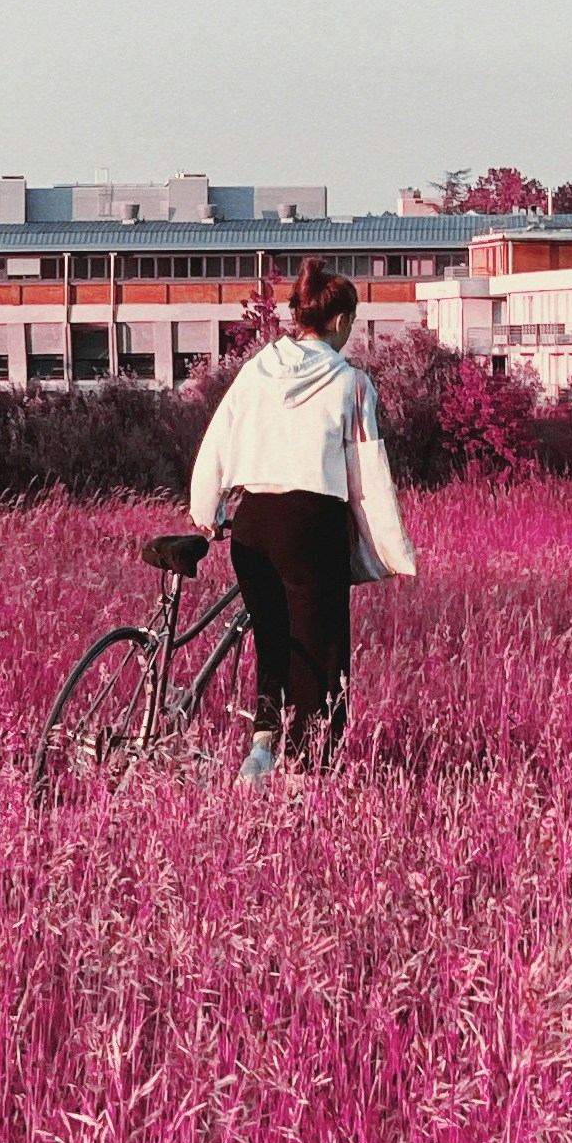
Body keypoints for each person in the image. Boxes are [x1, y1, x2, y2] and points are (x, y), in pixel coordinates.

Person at [188, 266, 375, 785]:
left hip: (254, 523)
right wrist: (384, 548)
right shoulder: (350, 382)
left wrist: (208, 510)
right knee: (322, 649)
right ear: (339, 320)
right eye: (352, 322)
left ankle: (261, 756)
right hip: (312, 522)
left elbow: (218, 439)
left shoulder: (257, 369)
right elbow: (368, 476)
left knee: (272, 641)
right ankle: (312, 772)